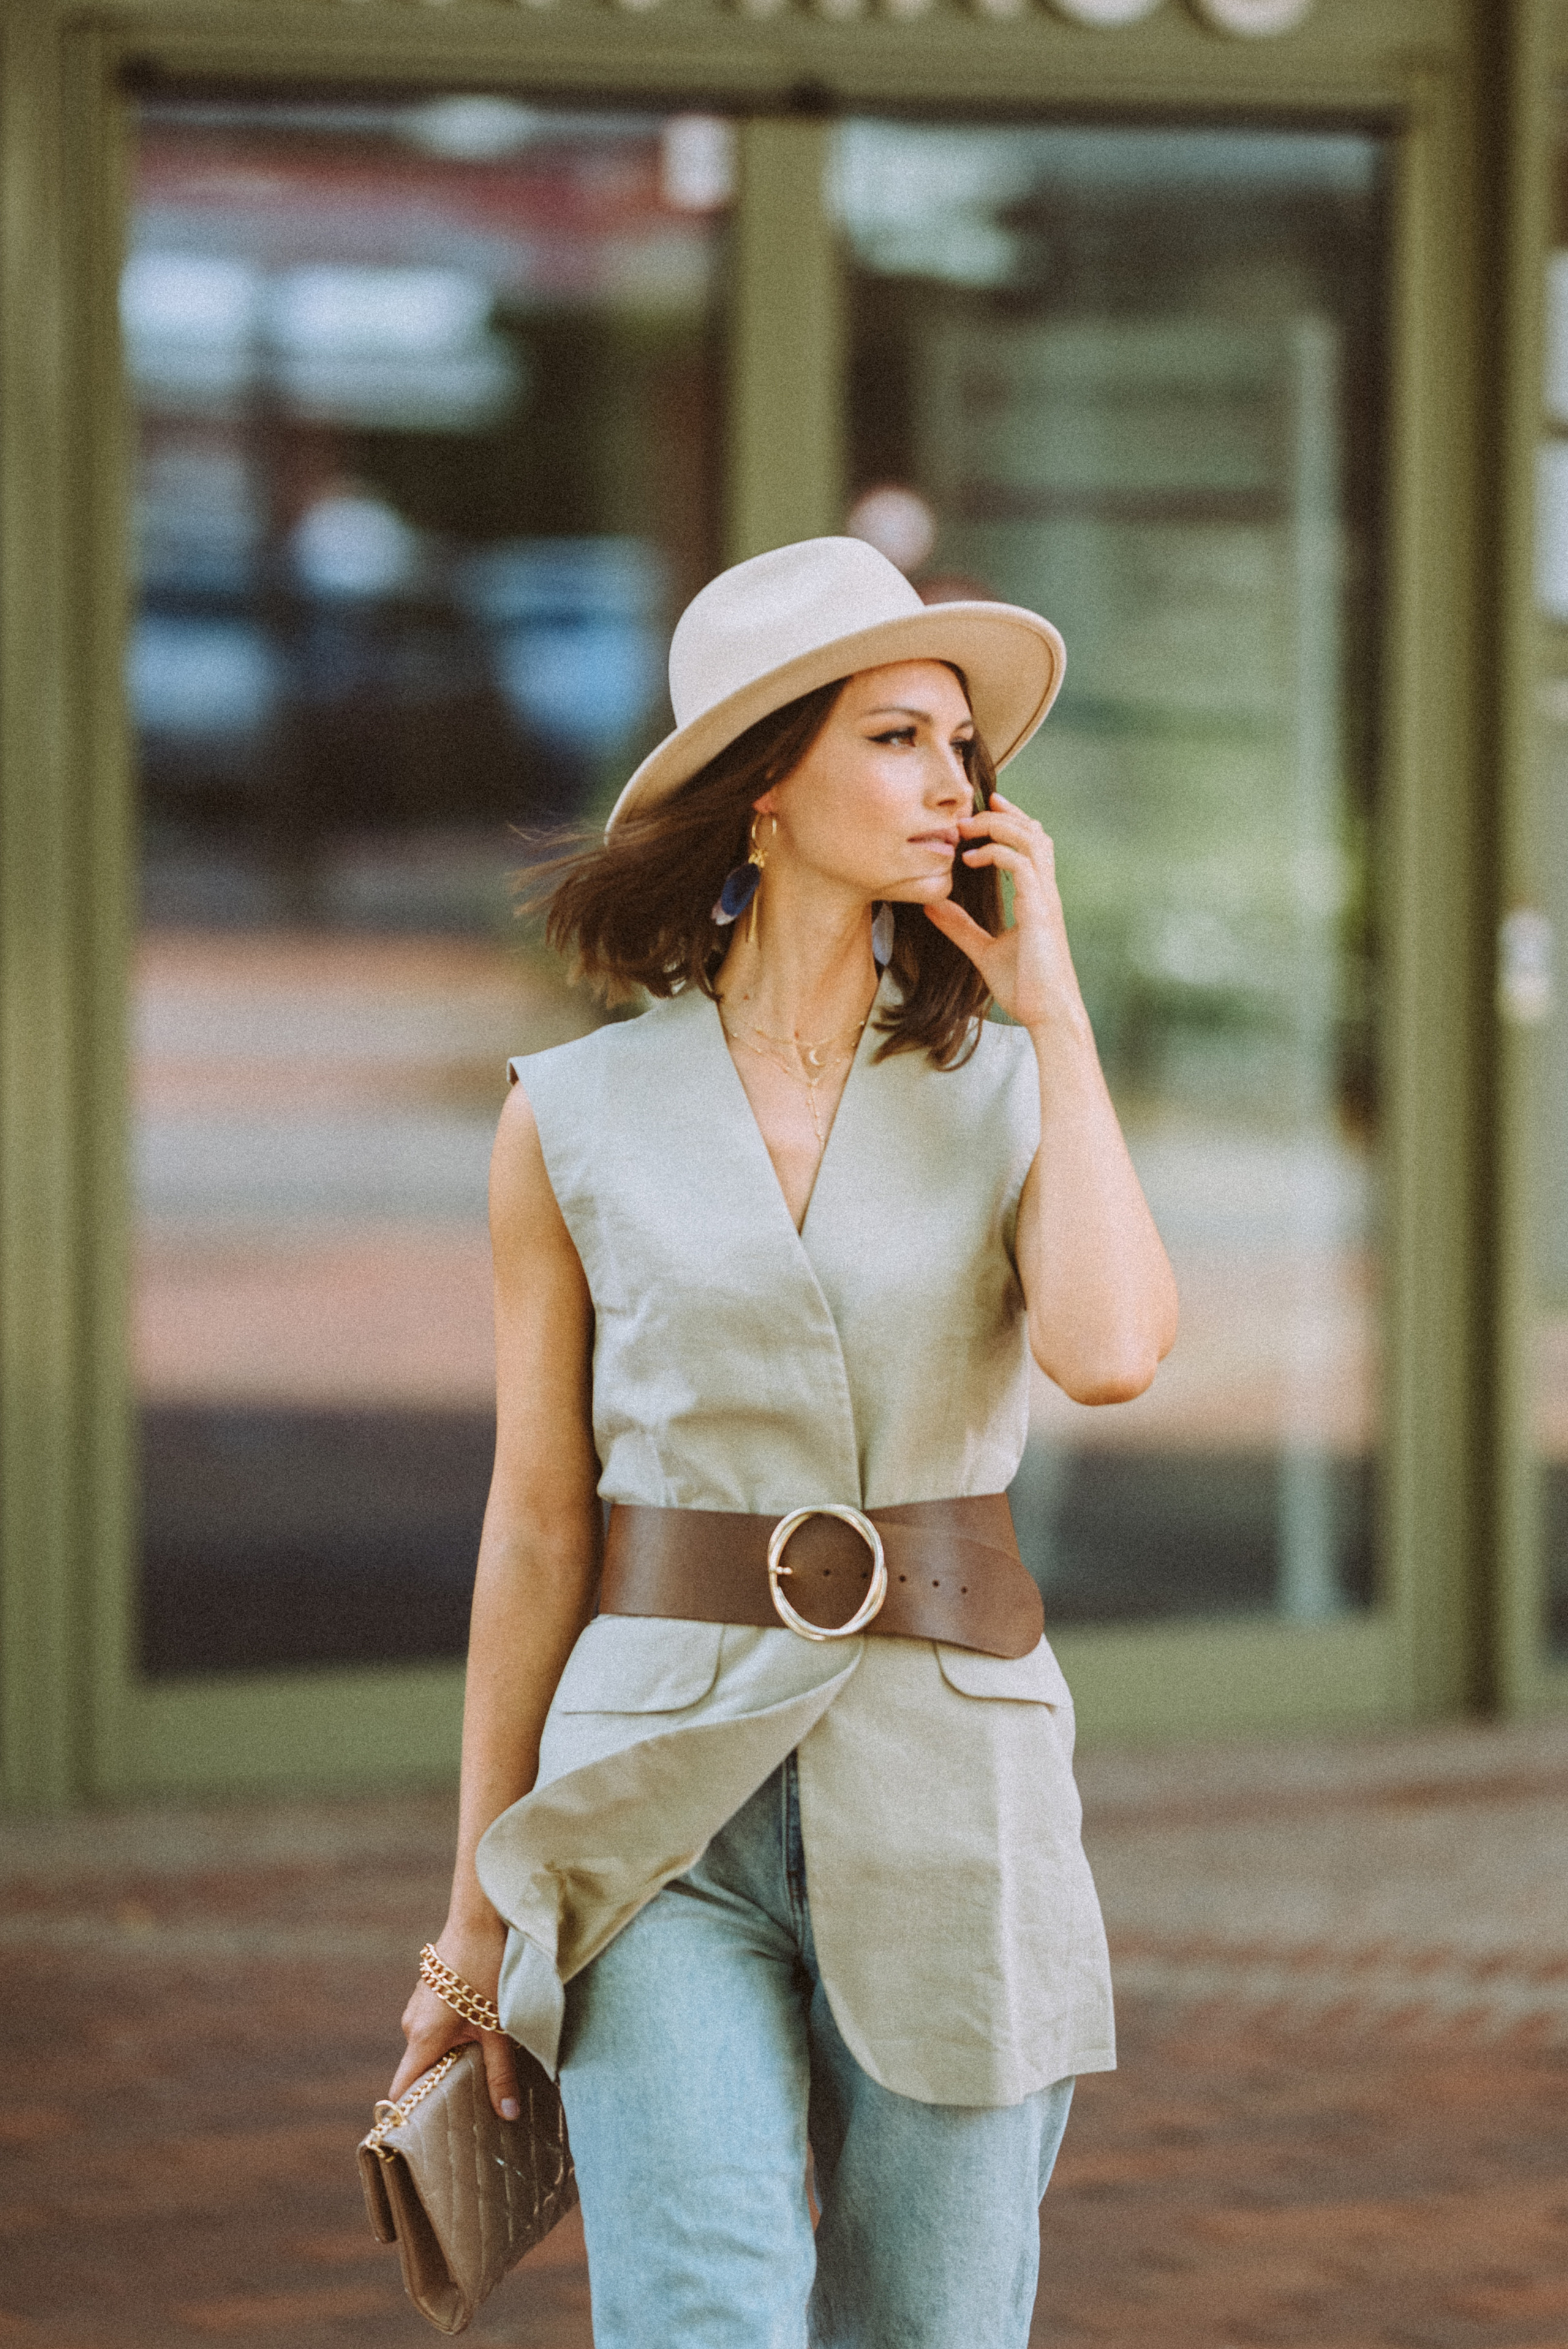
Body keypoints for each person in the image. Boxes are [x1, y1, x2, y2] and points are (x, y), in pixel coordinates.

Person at [389, 535, 1177, 2348]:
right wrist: (471, 1920)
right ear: (767, 783)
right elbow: (534, 1526)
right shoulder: (571, 1120)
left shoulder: (1009, 1081)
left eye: (965, 751)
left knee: (936, 2324)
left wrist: (1055, 1013)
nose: (954, 786)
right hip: (649, 1787)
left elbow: (1116, 1350)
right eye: (899, 737)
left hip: (953, 1781)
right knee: (703, 2317)